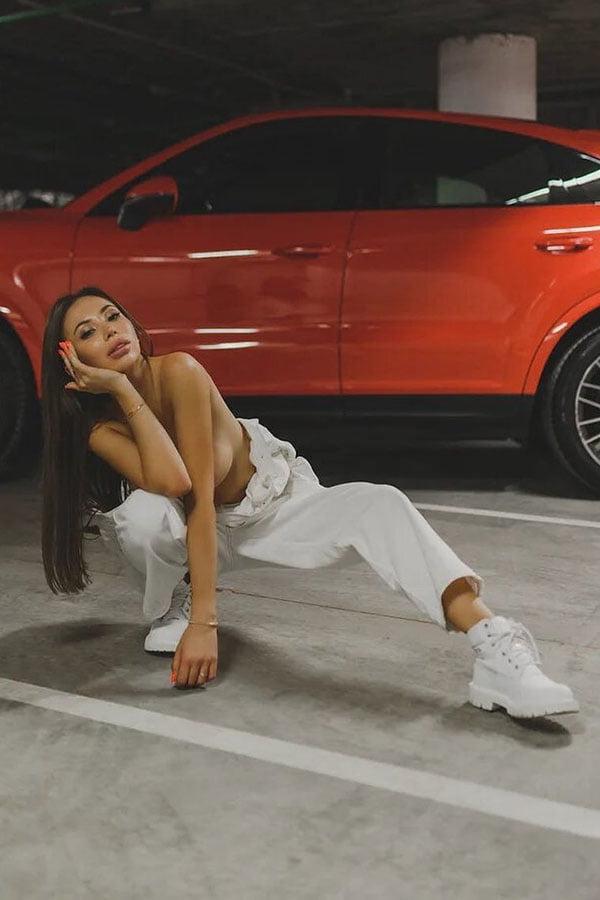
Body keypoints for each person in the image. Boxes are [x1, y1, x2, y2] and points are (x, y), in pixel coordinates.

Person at [40, 286, 579, 718]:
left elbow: (199, 494)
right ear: (71, 362)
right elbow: (173, 482)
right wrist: (122, 390)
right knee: (140, 516)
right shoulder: (100, 428)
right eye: (87, 333)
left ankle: (493, 647)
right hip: (197, 532)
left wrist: (208, 626)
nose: (109, 332)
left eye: (113, 317)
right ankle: (172, 602)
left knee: (381, 504)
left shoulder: (180, 371)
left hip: (272, 511)